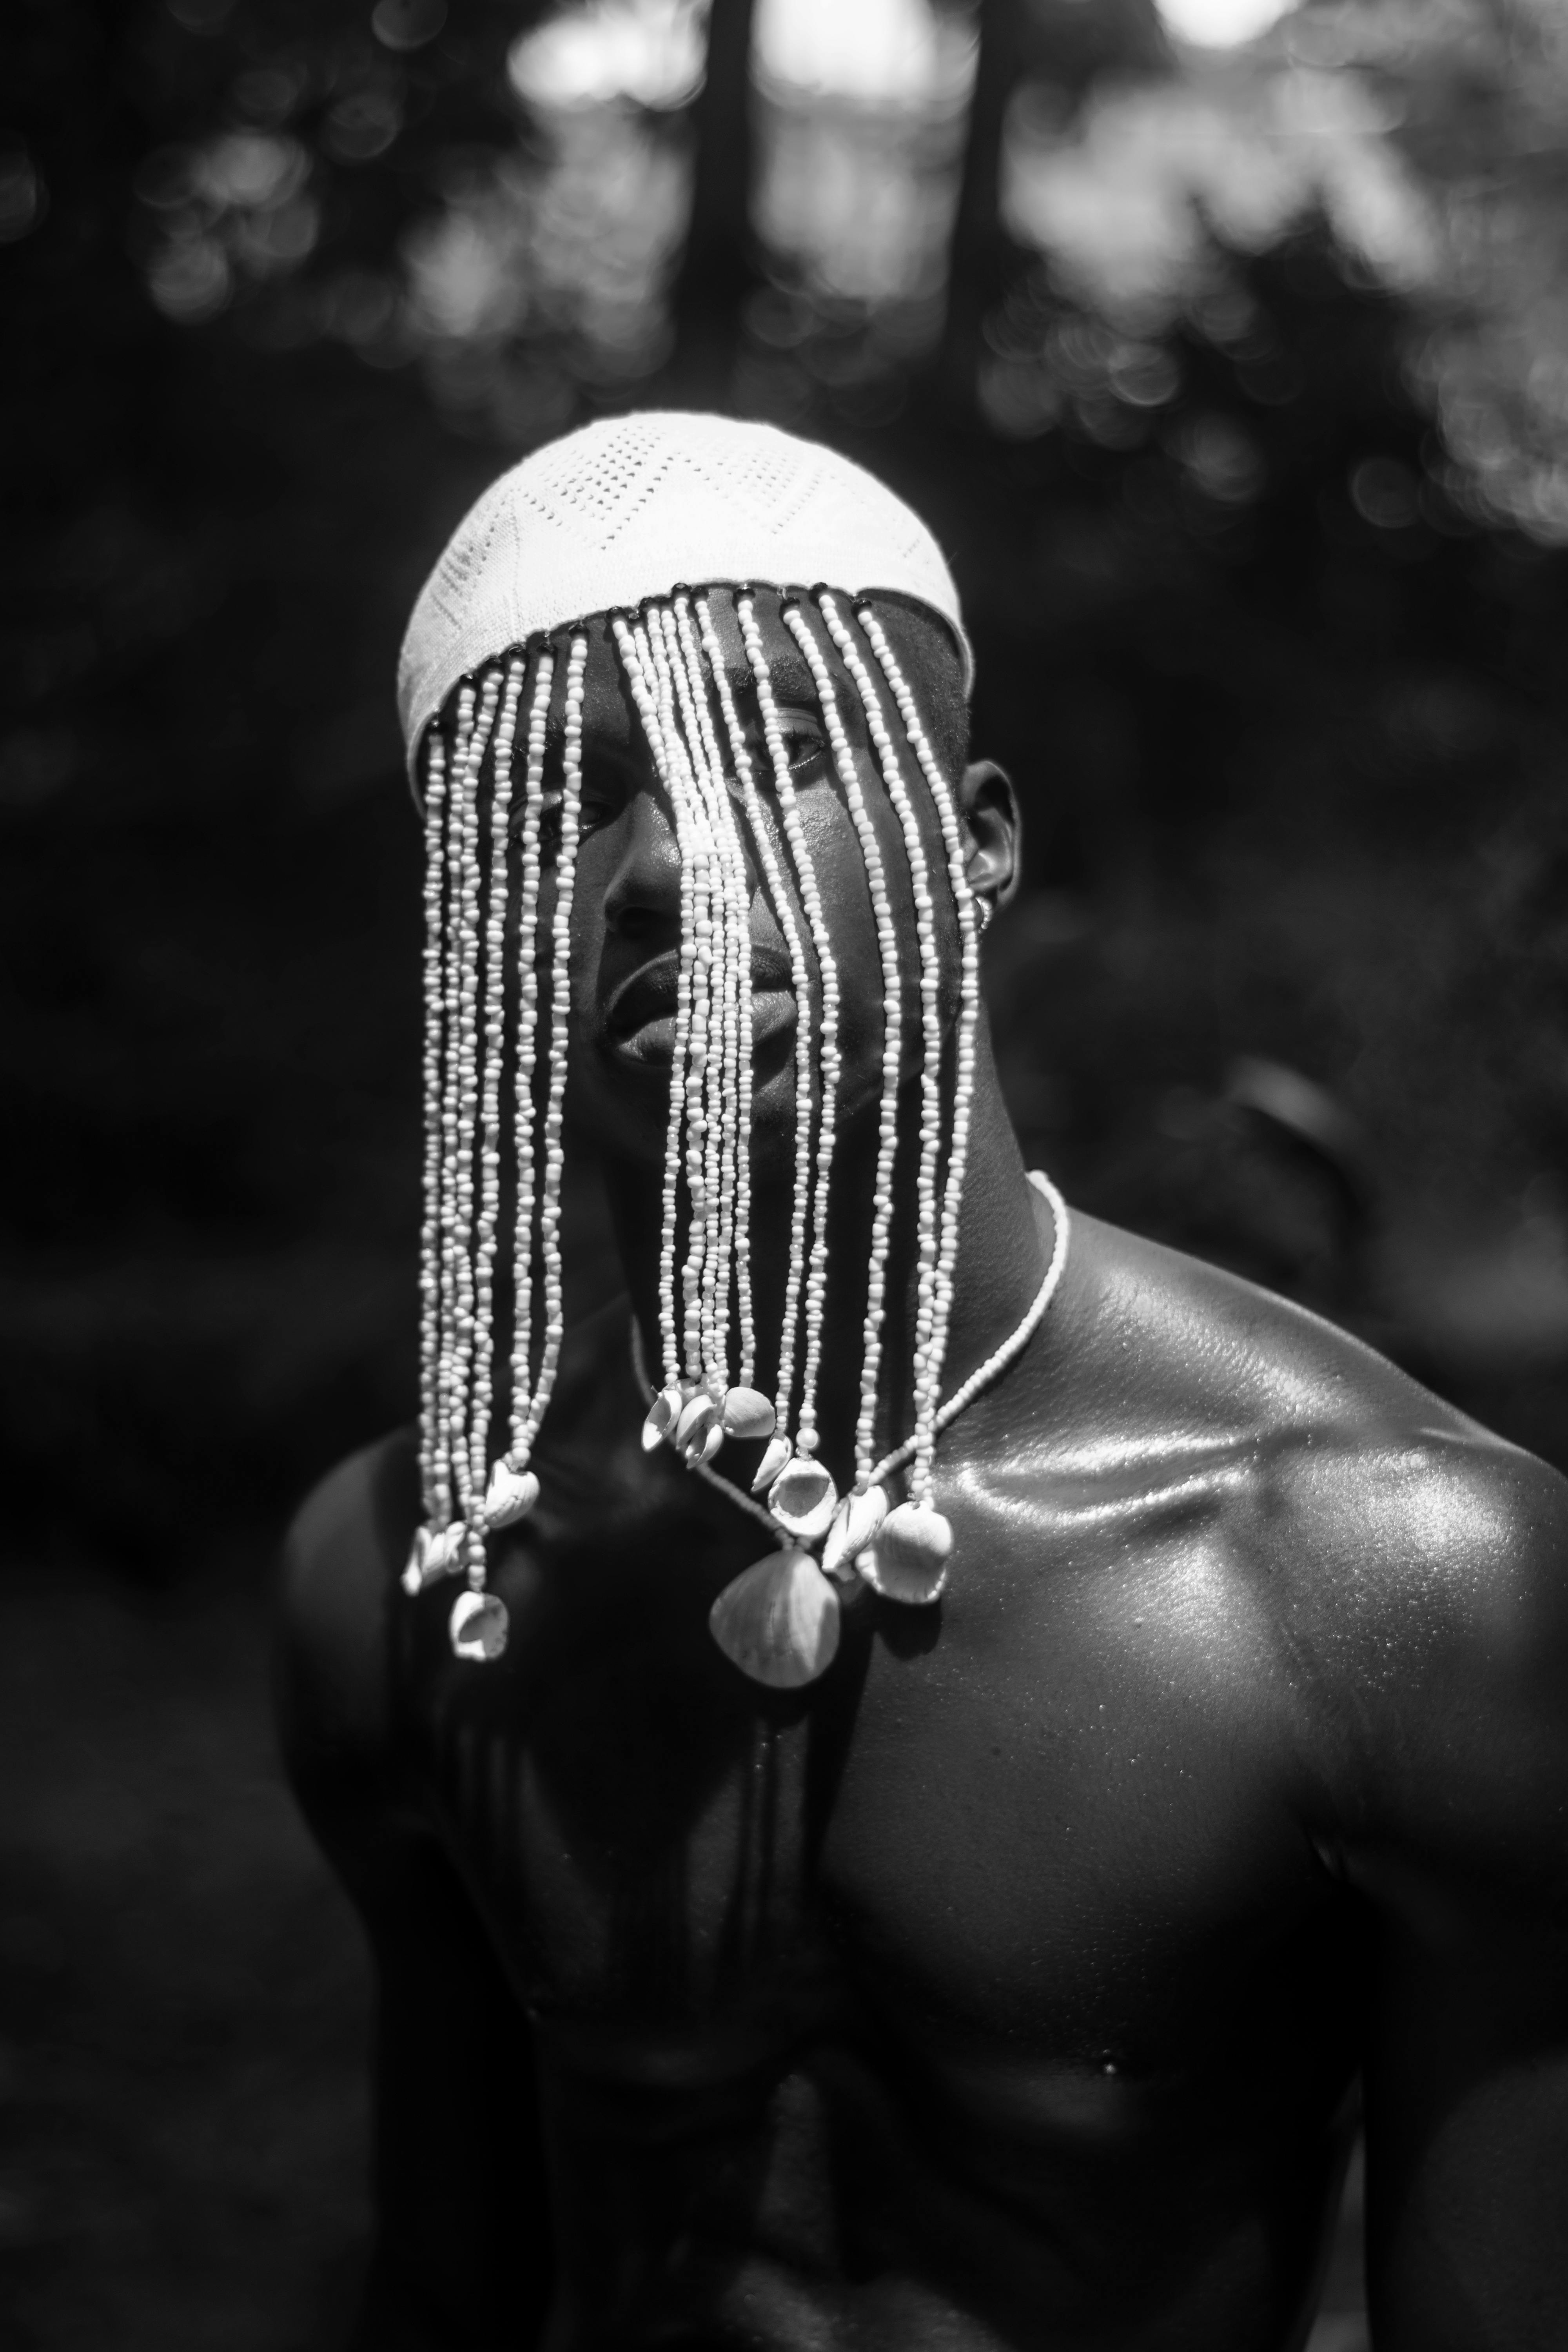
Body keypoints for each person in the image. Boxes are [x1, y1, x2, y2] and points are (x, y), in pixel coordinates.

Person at [279, 411, 1568, 2352]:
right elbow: (444, 2291)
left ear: (976, 841)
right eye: (567, 808)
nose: (667, 866)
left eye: (781, 757)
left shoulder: (1407, 1580)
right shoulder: (411, 1578)